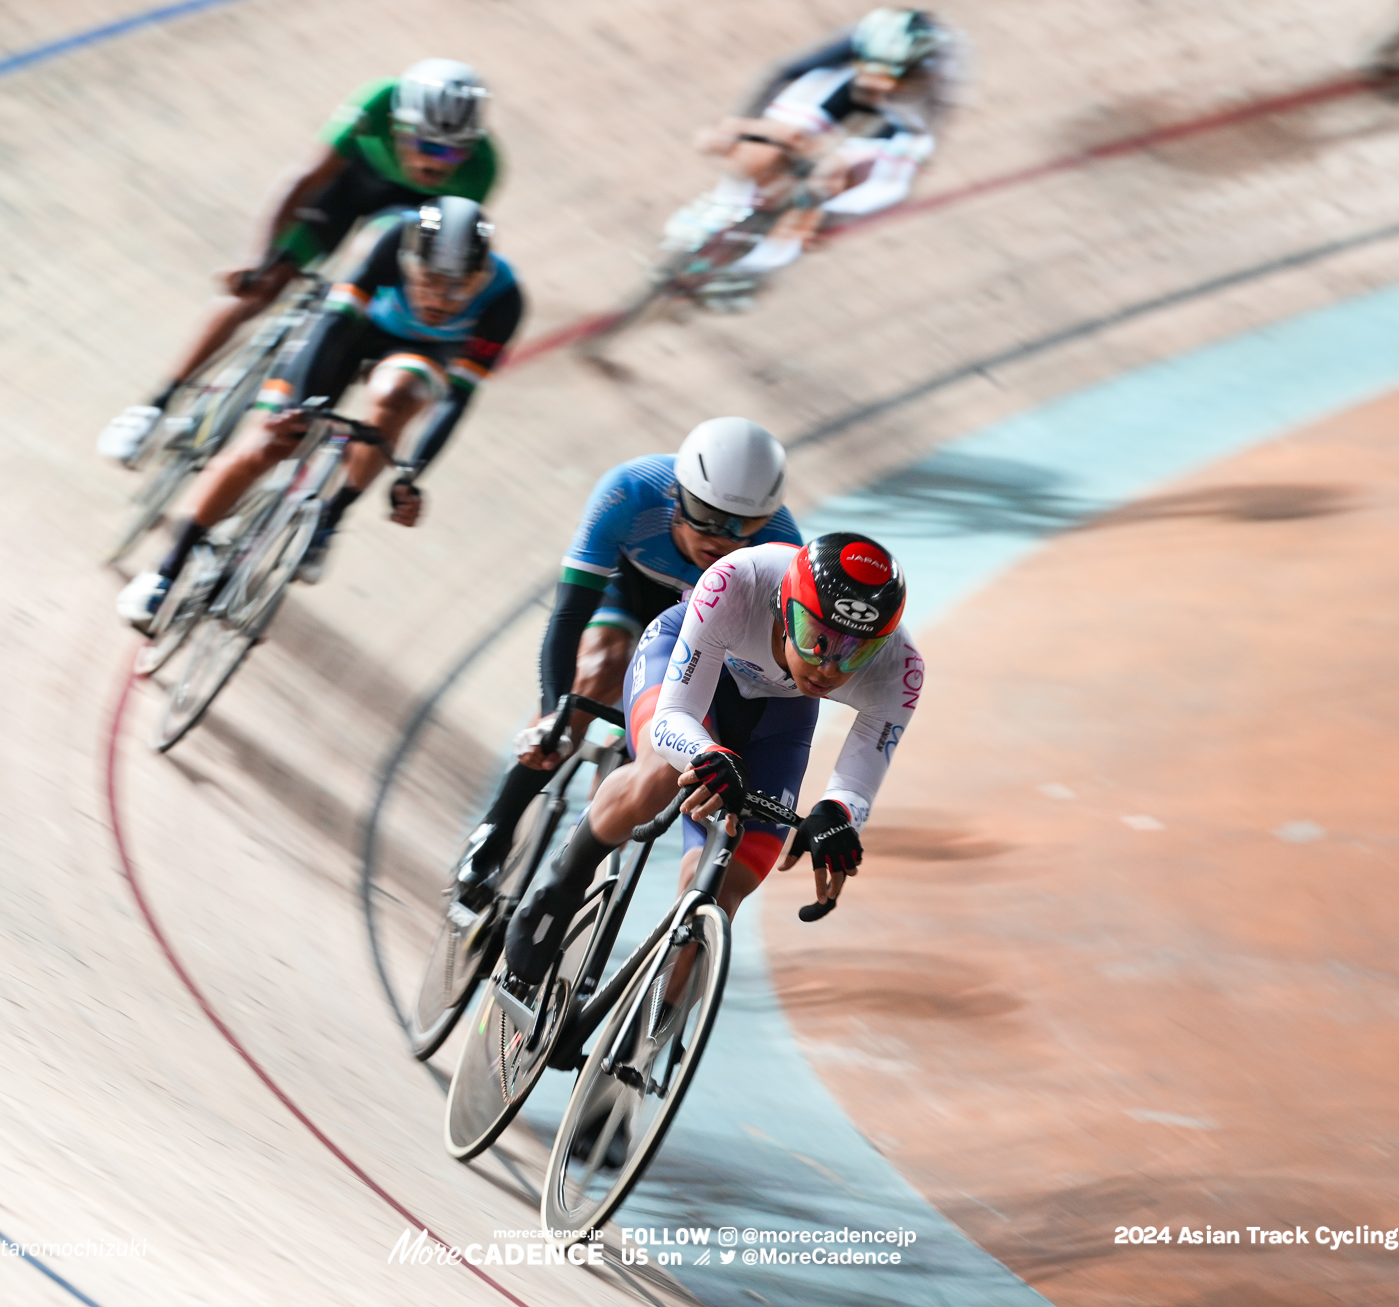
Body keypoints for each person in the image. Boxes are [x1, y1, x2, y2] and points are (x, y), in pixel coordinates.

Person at [500, 532, 924, 997]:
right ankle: (564, 880)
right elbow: (673, 719)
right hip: (685, 665)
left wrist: (838, 815)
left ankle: (636, 1042)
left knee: (724, 889)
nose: (828, 668)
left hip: (779, 714)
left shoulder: (899, 666)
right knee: (661, 774)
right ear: (784, 607)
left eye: (855, 653)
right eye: (816, 639)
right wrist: (707, 755)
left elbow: (859, 779)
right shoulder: (739, 581)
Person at [116, 197, 522, 626]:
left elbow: (457, 397)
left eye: (459, 288)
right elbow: (331, 323)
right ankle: (166, 571)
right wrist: (296, 410)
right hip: (352, 330)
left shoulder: (505, 299)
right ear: (409, 259)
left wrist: (411, 474)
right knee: (262, 445)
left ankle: (329, 518)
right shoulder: (390, 241)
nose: (440, 300)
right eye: (428, 281)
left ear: (483, 276)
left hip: (419, 354)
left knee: (399, 396)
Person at [453, 418, 802, 903]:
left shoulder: (783, 549)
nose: (720, 537)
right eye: (704, 514)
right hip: (629, 597)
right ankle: (495, 830)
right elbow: (571, 613)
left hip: (703, 631)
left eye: (743, 525)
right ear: (678, 494)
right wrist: (554, 709)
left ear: (768, 519)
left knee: (673, 745)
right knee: (599, 668)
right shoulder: (631, 492)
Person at [97, 59, 499, 463]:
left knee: (367, 286)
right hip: (352, 182)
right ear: (399, 126)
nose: (437, 163)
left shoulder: (483, 168)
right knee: (262, 286)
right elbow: (305, 178)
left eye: (453, 152)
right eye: (428, 146)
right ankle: (153, 406)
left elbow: (438, 256)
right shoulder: (377, 101)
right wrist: (257, 258)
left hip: (409, 215)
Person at [668, 8, 963, 311]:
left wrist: (824, 210)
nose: (877, 80)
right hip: (853, 85)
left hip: (904, 121)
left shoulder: (935, 83)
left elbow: (898, 148)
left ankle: (759, 267)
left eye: (887, 74)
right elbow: (787, 72)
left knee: (846, 187)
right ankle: (726, 202)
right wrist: (747, 129)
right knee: (778, 133)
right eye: (871, 66)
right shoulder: (863, 39)